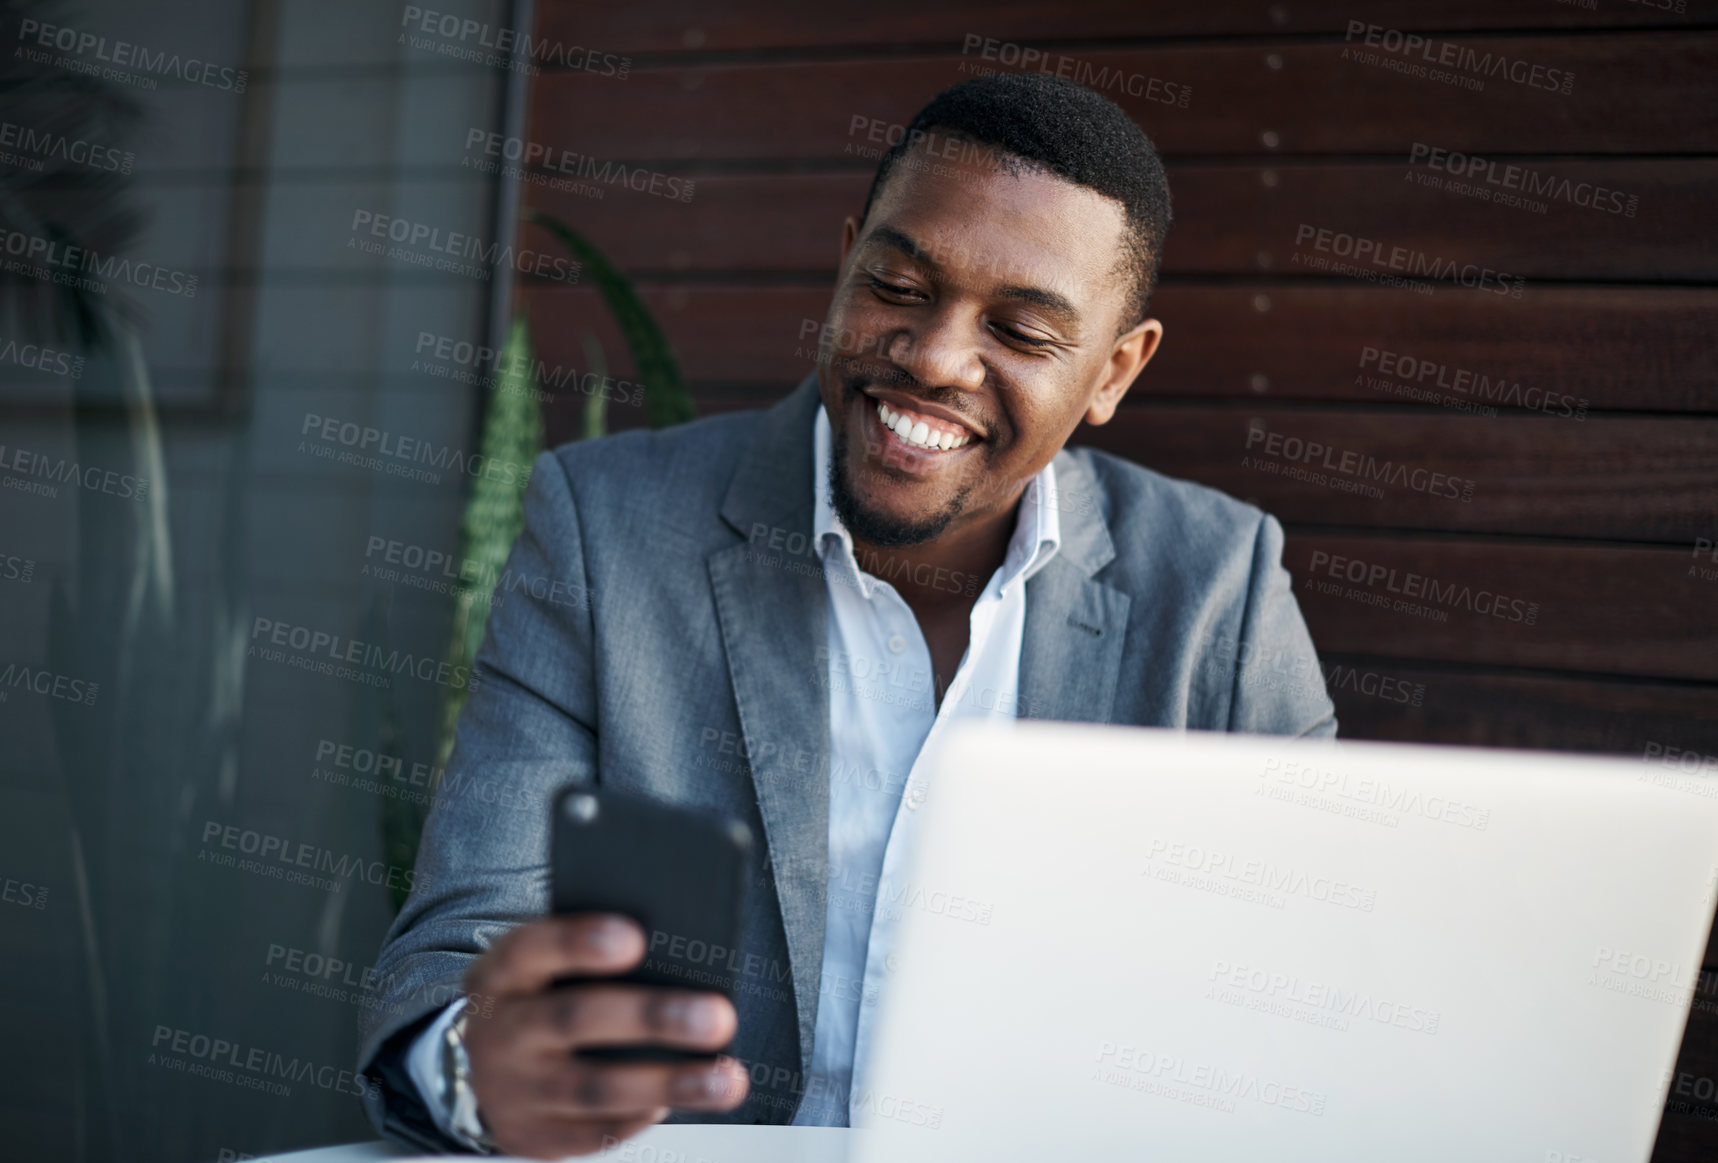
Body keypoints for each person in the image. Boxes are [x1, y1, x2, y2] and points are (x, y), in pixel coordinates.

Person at [357, 71, 1336, 1158]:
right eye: (898, 285)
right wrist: (479, 1066)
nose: (932, 356)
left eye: (1018, 328)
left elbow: (1308, 990)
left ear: (1113, 369)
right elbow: (460, 942)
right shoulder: (606, 530)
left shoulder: (1219, 590)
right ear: (843, 266)